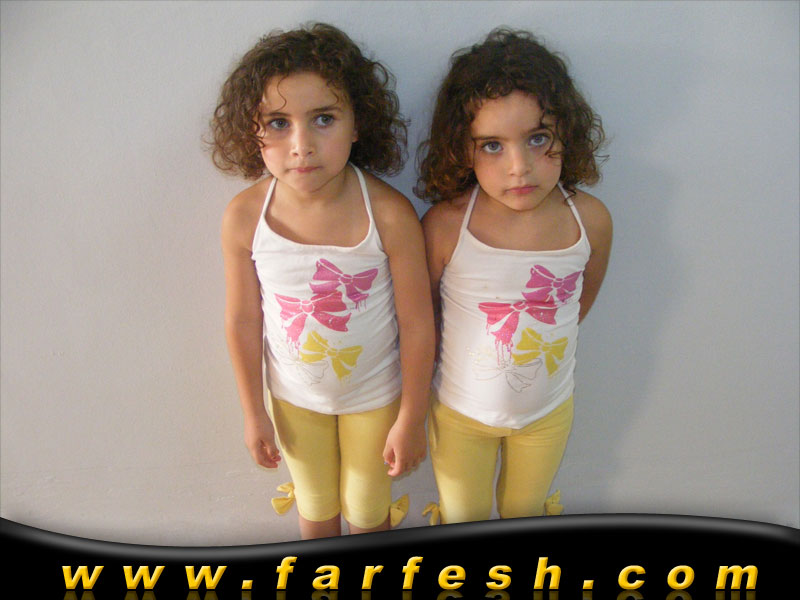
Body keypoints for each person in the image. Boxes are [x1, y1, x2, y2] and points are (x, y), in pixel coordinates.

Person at [210, 23, 434, 539]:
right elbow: (242, 320)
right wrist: (253, 411)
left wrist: (412, 415)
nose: (302, 145)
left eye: (324, 119)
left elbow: (418, 323)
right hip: (293, 403)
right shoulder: (245, 217)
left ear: (358, 124)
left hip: (377, 400)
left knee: (368, 512)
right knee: (314, 508)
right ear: (252, 131)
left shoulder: (390, 214)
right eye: (278, 123)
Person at [417, 27, 612, 524]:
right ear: (462, 148)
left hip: (546, 415)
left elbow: (576, 307)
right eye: (492, 146)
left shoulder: (590, 221)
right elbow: (424, 317)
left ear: (566, 131)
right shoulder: (445, 225)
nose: (519, 167)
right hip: (460, 415)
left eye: (537, 138)